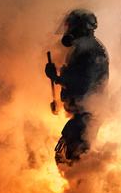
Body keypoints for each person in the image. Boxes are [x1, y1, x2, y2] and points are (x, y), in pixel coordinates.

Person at [45, 9, 109, 165]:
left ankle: (83, 188)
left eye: (71, 27)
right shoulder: (85, 50)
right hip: (84, 116)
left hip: (87, 117)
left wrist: (56, 77)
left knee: (75, 161)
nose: (68, 31)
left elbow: (83, 83)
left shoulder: (91, 51)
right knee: (68, 158)